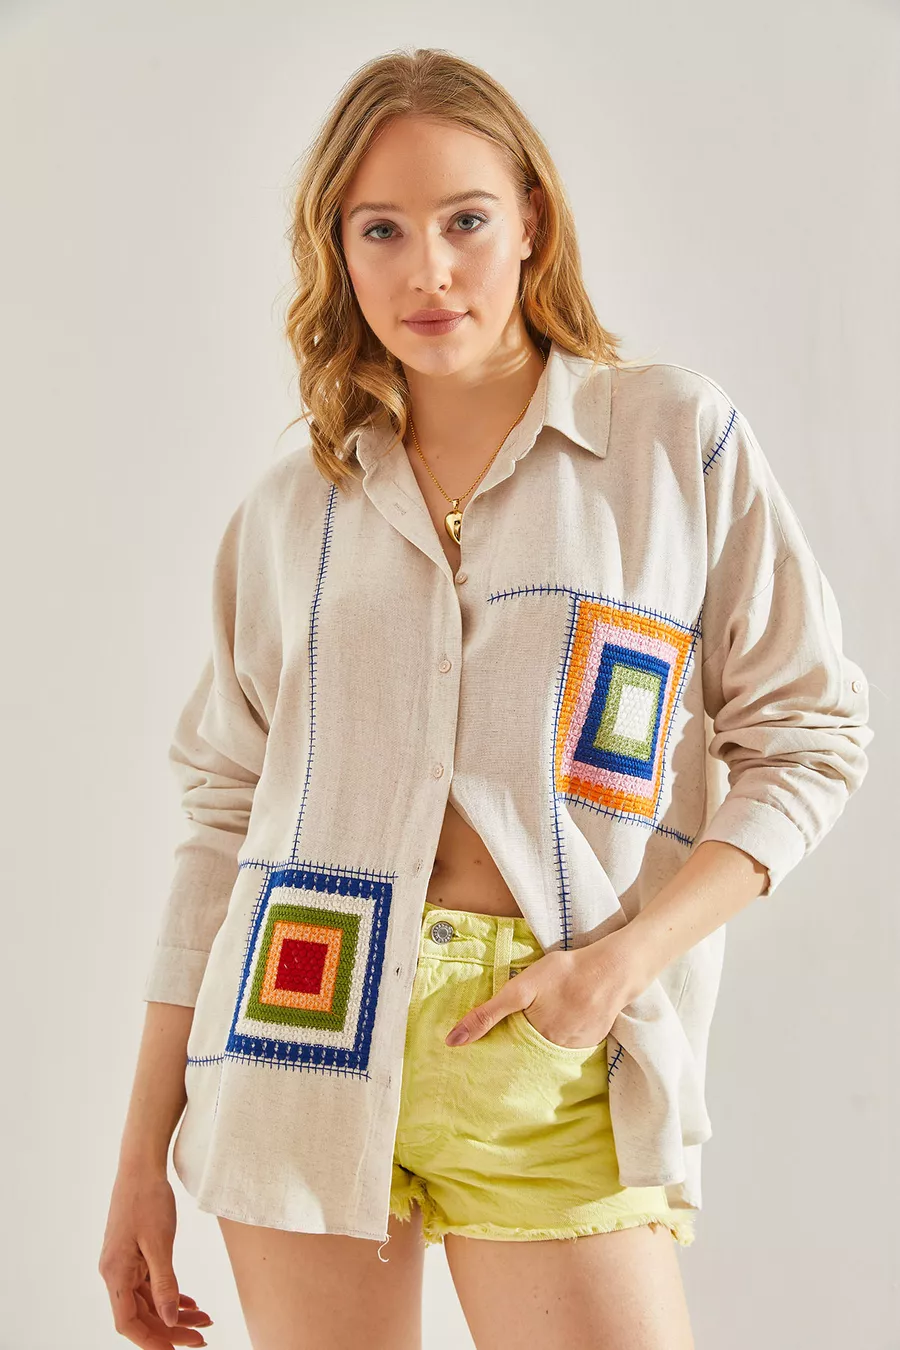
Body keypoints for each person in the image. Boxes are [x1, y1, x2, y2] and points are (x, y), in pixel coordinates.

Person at [98, 46, 873, 1350]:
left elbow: (809, 733)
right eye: (381, 230)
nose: (429, 270)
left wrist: (618, 967)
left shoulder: (666, 441)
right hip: (293, 1039)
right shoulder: (294, 509)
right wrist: (139, 1161)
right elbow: (221, 820)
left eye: (464, 220)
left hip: (556, 1042)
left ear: (531, 224)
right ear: (337, 251)